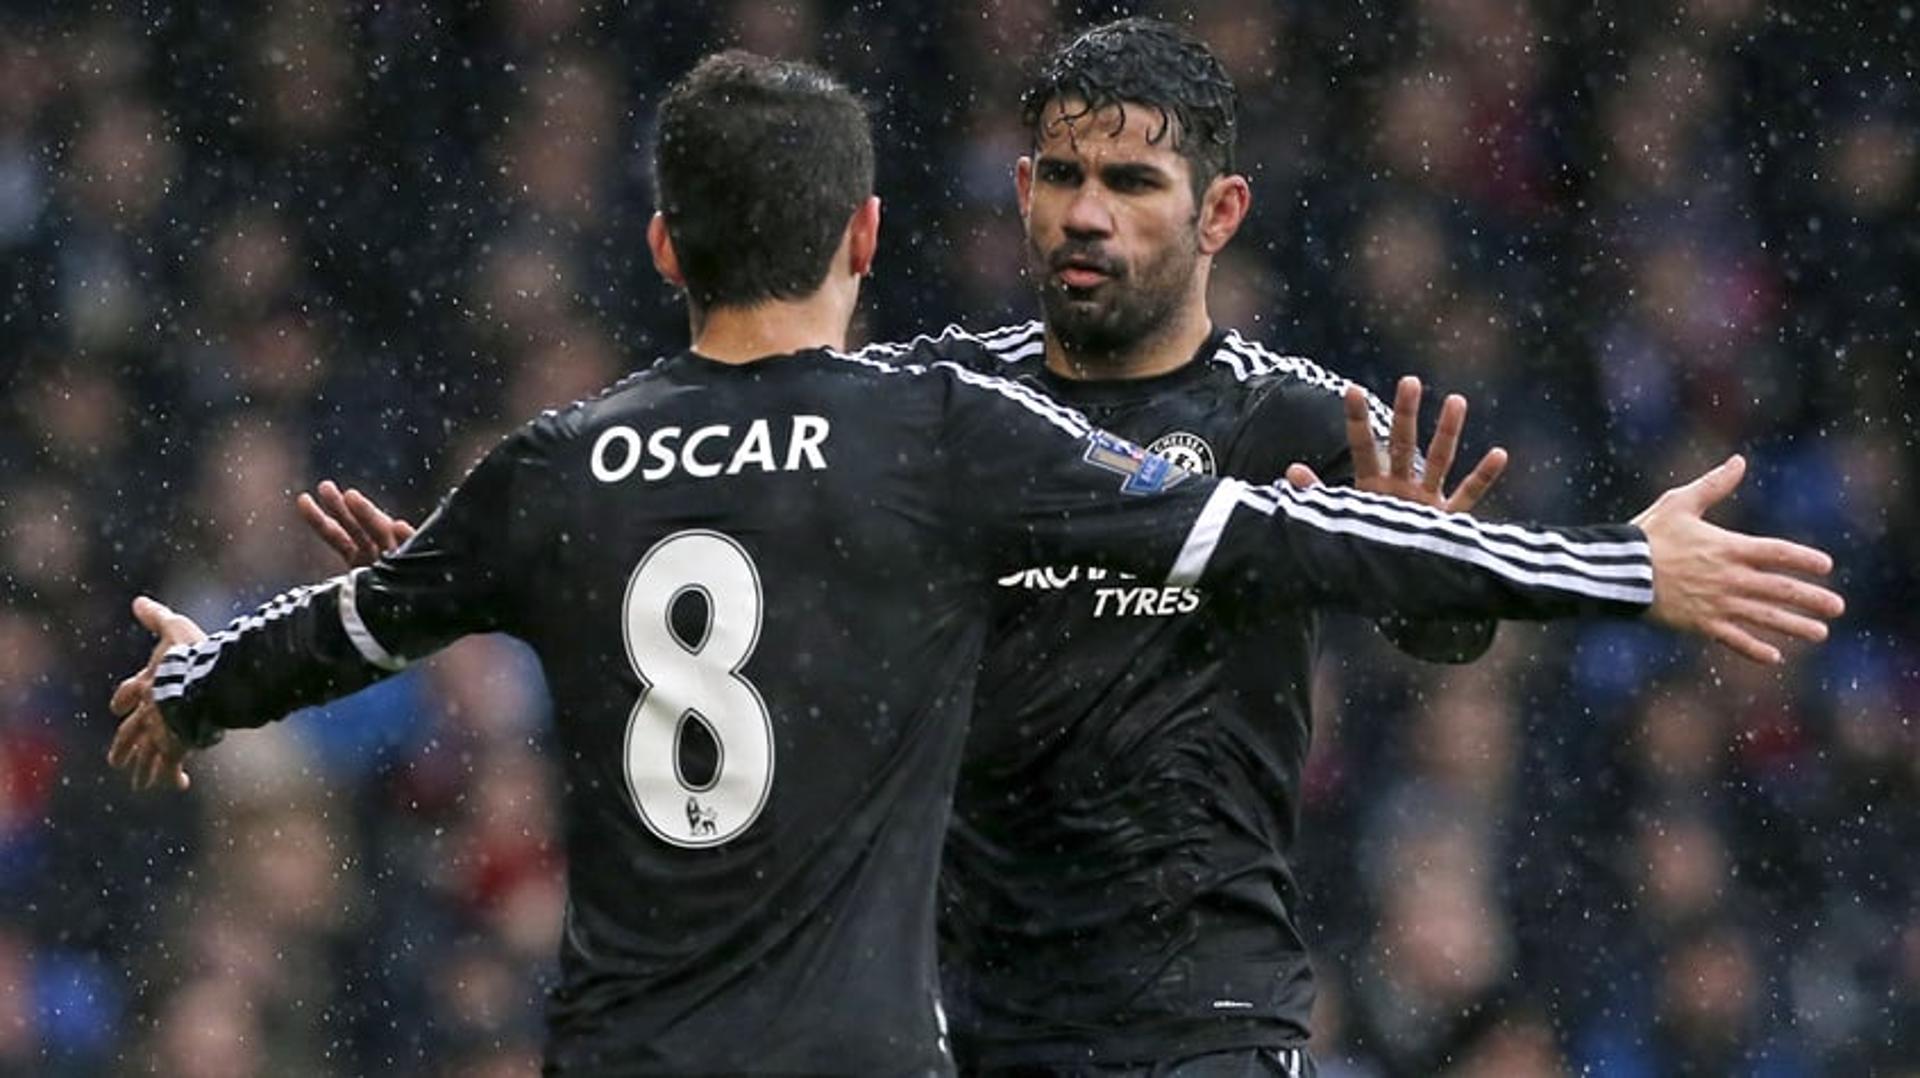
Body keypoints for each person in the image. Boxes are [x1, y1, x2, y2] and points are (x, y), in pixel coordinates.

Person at [279, 24, 1845, 1077]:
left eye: (1134, 184)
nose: (1089, 216)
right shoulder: (937, 405)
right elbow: (724, 477)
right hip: (969, 1005)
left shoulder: (1299, 416)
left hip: (1201, 1005)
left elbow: (1438, 637)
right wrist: (476, 551)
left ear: (1216, 209)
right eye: (1065, 179)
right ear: (1023, 192)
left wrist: (1426, 566)